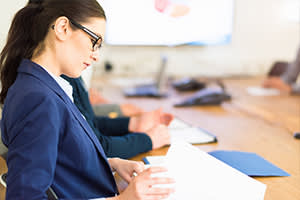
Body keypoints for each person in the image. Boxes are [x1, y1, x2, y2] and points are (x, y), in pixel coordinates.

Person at [0, 0, 175, 199]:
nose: (96, 56)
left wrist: (107, 166)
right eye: (94, 42)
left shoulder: (48, 86)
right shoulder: (38, 100)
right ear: (63, 28)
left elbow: (61, 159)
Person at [61, 75, 173, 159]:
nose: (96, 57)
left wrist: (132, 123)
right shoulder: (62, 82)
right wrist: (148, 140)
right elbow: (96, 148)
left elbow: (89, 123)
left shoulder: (72, 78)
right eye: (93, 44)